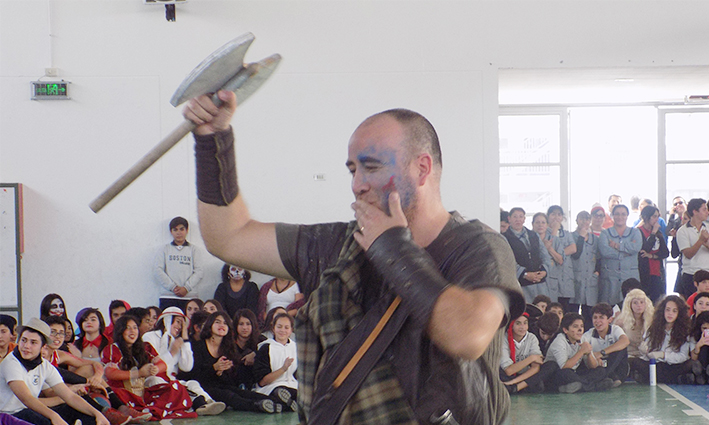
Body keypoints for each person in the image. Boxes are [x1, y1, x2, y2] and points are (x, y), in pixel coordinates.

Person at [183, 93, 525, 424]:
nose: (357, 184)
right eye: (352, 170)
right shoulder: (339, 245)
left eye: (371, 167)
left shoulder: (478, 248)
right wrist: (212, 140)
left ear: (422, 169)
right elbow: (228, 236)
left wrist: (393, 249)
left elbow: (467, 334)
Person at [0, 318, 110, 425]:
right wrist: (54, 416)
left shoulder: (44, 366)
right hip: (8, 415)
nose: (26, 346)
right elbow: (27, 399)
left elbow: (69, 396)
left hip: (29, 410)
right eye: (23, 340)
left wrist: (97, 414)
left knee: (82, 413)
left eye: (33, 342)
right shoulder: (11, 362)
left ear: (43, 347)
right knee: (46, 420)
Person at [101, 316, 196, 420]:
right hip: (123, 391)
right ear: (120, 331)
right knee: (116, 393)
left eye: (135, 327)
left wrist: (155, 369)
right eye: (128, 328)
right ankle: (142, 411)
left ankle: (150, 410)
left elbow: (162, 364)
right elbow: (110, 373)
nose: (132, 331)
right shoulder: (112, 349)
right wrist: (138, 373)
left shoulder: (145, 347)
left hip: (144, 391)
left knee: (175, 387)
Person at [186, 312, 278, 414]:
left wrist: (221, 373)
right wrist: (214, 368)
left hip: (222, 385)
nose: (222, 325)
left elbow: (231, 381)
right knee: (230, 396)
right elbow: (193, 376)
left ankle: (279, 404)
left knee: (244, 393)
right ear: (210, 324)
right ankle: (259, 406)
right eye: (218, 322)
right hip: (203, 388)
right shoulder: (198, 346)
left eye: (225, 323)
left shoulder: (227, 347)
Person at [141, 308, 225, 416]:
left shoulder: (177, 341)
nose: (179, 327)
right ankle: (195, 405)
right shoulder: (150, 337)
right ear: (167, 320)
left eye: (182, 324)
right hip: (152, 379)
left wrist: (185, 340)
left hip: (172, 380)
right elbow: (153, 366)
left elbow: (187, 367)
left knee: (192, 383)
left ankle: (207, 404)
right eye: (177, 322)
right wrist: (171, 352)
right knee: (157, 381)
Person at [630, 295, 702, 385]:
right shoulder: (652, 328)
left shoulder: (685, 331)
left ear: (679, 313)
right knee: (634, 361)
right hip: (656, 365)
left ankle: (651, 377)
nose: (670, 313)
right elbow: (648, 350)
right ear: (662, 311)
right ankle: (676, 379)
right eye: (667, 310)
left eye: (674, 311)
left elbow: (683, 356)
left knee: (689, 364)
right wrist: (644, 350)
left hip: (674, 366)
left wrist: (663, 355)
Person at [544, 313, 613, 393]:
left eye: (582, 326)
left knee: (601, 371)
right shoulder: (559, 341)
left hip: (575, 374)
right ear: (565, 330)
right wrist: (581, 351)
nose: (580, 330)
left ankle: (578, 385)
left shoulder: (582, 338)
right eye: (575, 326)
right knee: (566, 373)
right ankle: (593, 385)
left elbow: (593, 366)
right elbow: (564, 367)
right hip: (557, 375)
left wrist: (589, 353)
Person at [154, 217, 205, 311]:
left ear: (187, 230)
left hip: (189, 297)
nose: (179, 232)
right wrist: (172, 287)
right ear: (171, 231)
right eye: (175, 229)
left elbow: (199, 271)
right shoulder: (164, 249)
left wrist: (186, 288)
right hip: (168, 297)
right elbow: (158, 270)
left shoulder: (194, 250)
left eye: (182, 229)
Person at [499, 313, 555, 394]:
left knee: (551, 365)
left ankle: (515, 388)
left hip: (524, 376)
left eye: (525, 323)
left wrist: (513, 383)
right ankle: (517, 387)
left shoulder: (532, 338)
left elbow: (535, 368)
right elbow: (509, 370)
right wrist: (531, 358)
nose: (522, 327)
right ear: (511, 325)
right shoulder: (503, 338)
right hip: (507, 376)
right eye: (518, 323)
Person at [598, 205, 642, 307]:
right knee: (609, 309)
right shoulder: (605, 233)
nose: (620, 217)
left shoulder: (635, 232)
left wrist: (617, 246)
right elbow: (605, 251)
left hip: (630, 277)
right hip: (610, 279)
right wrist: (625, 253)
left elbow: (636, 248)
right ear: (612, 216)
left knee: (633, 307)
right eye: (617, 214)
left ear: (627, 216)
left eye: (623, 214)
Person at [254, 313, 298, 411]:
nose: (282, 330)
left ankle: (283, 405)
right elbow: (262, 382)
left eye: (286, 327)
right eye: (279, 327)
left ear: (291, 330)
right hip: (271, 386)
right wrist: (283, 369)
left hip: (293, 385)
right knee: (279, 392)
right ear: (273, 328)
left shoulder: (296, 347)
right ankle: (286, 403)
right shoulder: (265, 348)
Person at [505, 208, 549, 303]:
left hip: (540, 282)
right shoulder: (505, 237)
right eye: (515, 217)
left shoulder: (534, 235)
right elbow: (507, 261)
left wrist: (544, 271)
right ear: (509, 219)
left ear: (524, 219)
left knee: (542, 310)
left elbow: (545, 255)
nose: (518, 219)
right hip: (521, 284)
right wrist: (525, 274)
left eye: (521, 216)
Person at [580, 303, 629, 387]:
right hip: (598, 368)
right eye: (595, 317)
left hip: (617, 371)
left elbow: (625, 341)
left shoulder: (615, 329)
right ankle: (605, 378)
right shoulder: (587, 335)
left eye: (601, 317)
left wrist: (602, 353)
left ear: (609, 319)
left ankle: (606, 377)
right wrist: (593, 357)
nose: (597, 321)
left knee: (621, 348)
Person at [544, 206, 577, 312]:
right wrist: (554, 230)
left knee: (565, 310)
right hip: (550, 277)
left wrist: (557, 253)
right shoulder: (543, 233)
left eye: (559, 214)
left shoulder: (566, 234)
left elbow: (573, 248)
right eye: (553, 214)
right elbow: (546, 249)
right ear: (548, 216)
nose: (556, 217)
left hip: (565, 277)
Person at [569, 211, 600, 326]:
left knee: (589, 314)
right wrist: (581, 236)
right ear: (576, 220)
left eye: (587, 219)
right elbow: (575, 255)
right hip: (575, 279)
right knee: (573, 312)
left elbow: (599, 257)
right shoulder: (571, 236)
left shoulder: (595, 239)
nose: (585, 221)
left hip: (591, 280)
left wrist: (597, 273)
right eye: (582, 218)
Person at [676, 199, 709, 300]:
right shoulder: (682, 231)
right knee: (692, 305)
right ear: (695, 211)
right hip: (691, 274)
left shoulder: (707, 227)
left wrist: (706, 243)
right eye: (704, 209)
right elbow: (688, 254)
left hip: (707, 272)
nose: (707, 212)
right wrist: (700, 241)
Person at [637, 205, 669, 303]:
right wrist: (653, 233)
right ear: (647, 217)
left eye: (657, 216)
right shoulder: (638, 231)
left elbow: (665, 253)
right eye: (654, 216)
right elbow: (644, 249)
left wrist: (652, 256)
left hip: (657, 271)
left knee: (657, 301)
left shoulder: (658, 233)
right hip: (645, 271)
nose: (657, 219)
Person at [614, 289, 654, 358]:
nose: (639, 305)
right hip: (627, 357)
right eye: (635, 303)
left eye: (642, 302)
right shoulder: (620, 322)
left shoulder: (652, 321)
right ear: (629, 305)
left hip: (647, 357)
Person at [232, 309, 261, 388]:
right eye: (241, 324)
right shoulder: (229, 341)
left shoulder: (260, 339)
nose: (245, 328)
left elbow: (269, 347)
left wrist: (254, 353)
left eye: (248, 324)